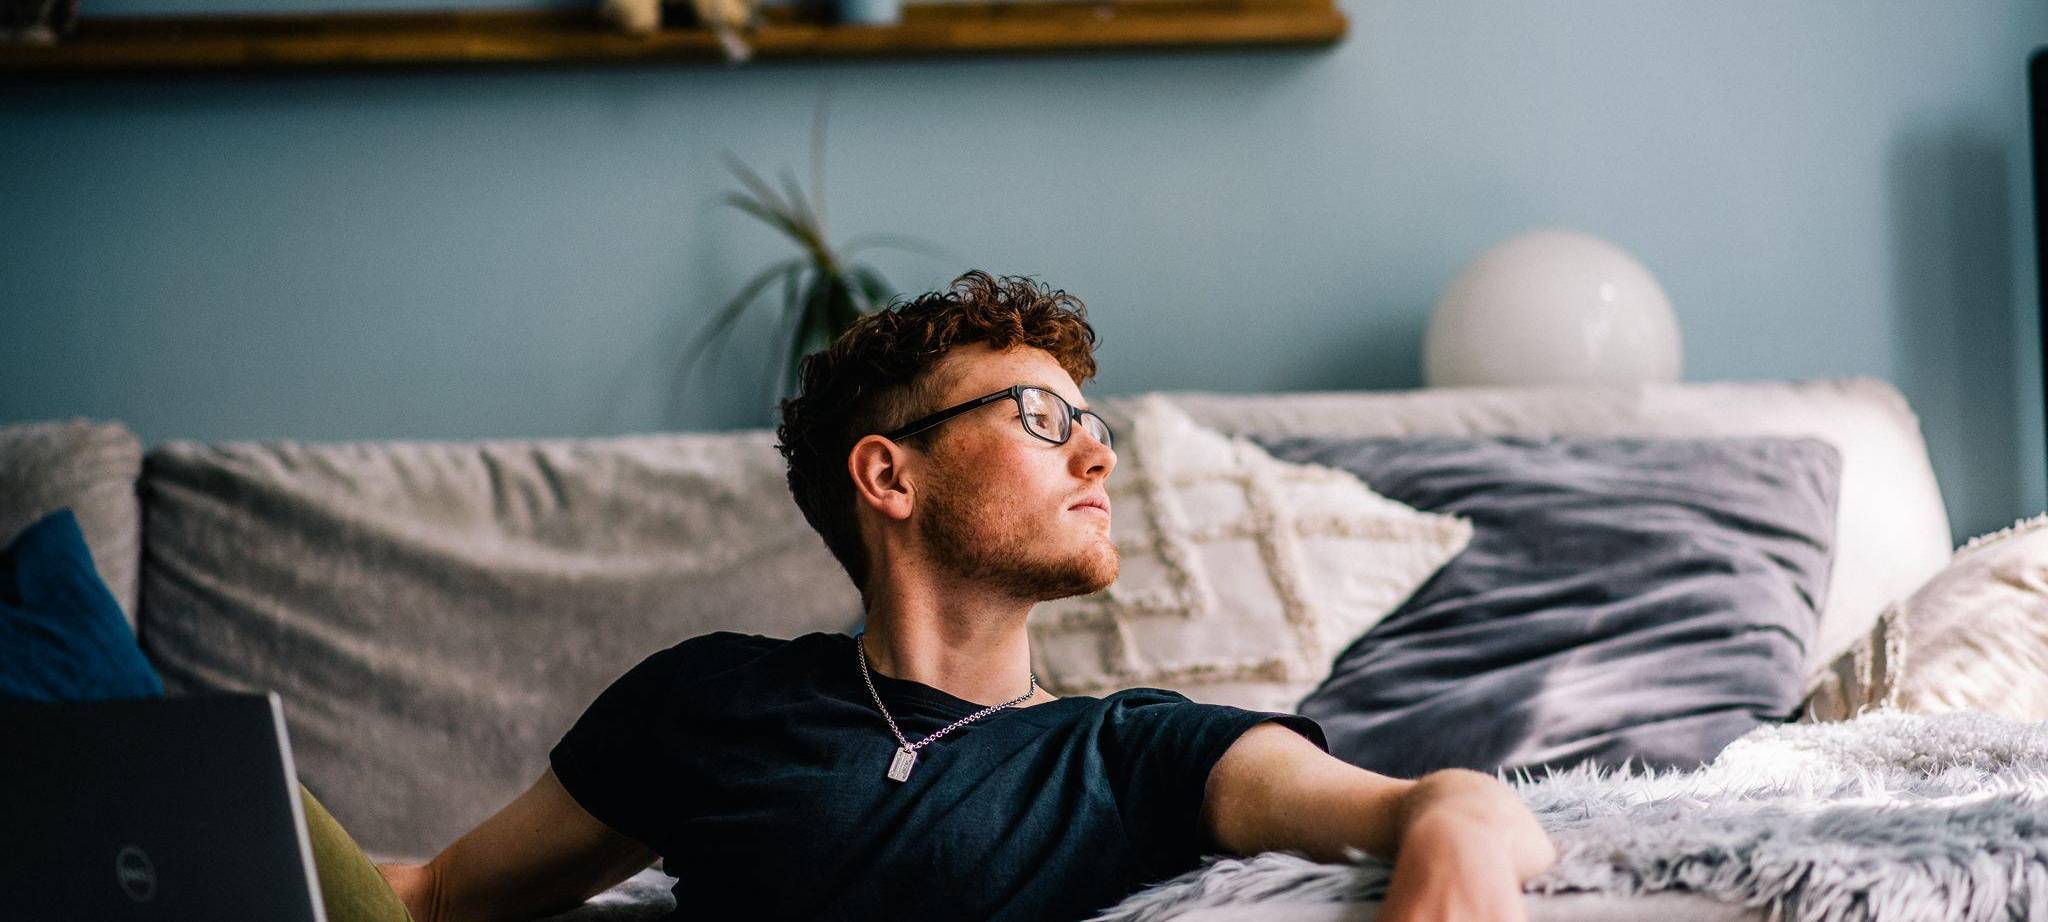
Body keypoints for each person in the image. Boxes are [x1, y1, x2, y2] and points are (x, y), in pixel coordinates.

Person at [370, 271, 1556, 922]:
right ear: (889, 474)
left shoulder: (1129, 747)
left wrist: (1450, 840)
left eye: (1090, 426)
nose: (1096, 456)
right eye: (1041, 419)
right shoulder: (709, 699)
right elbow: (438, 896)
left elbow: (1436, 806)